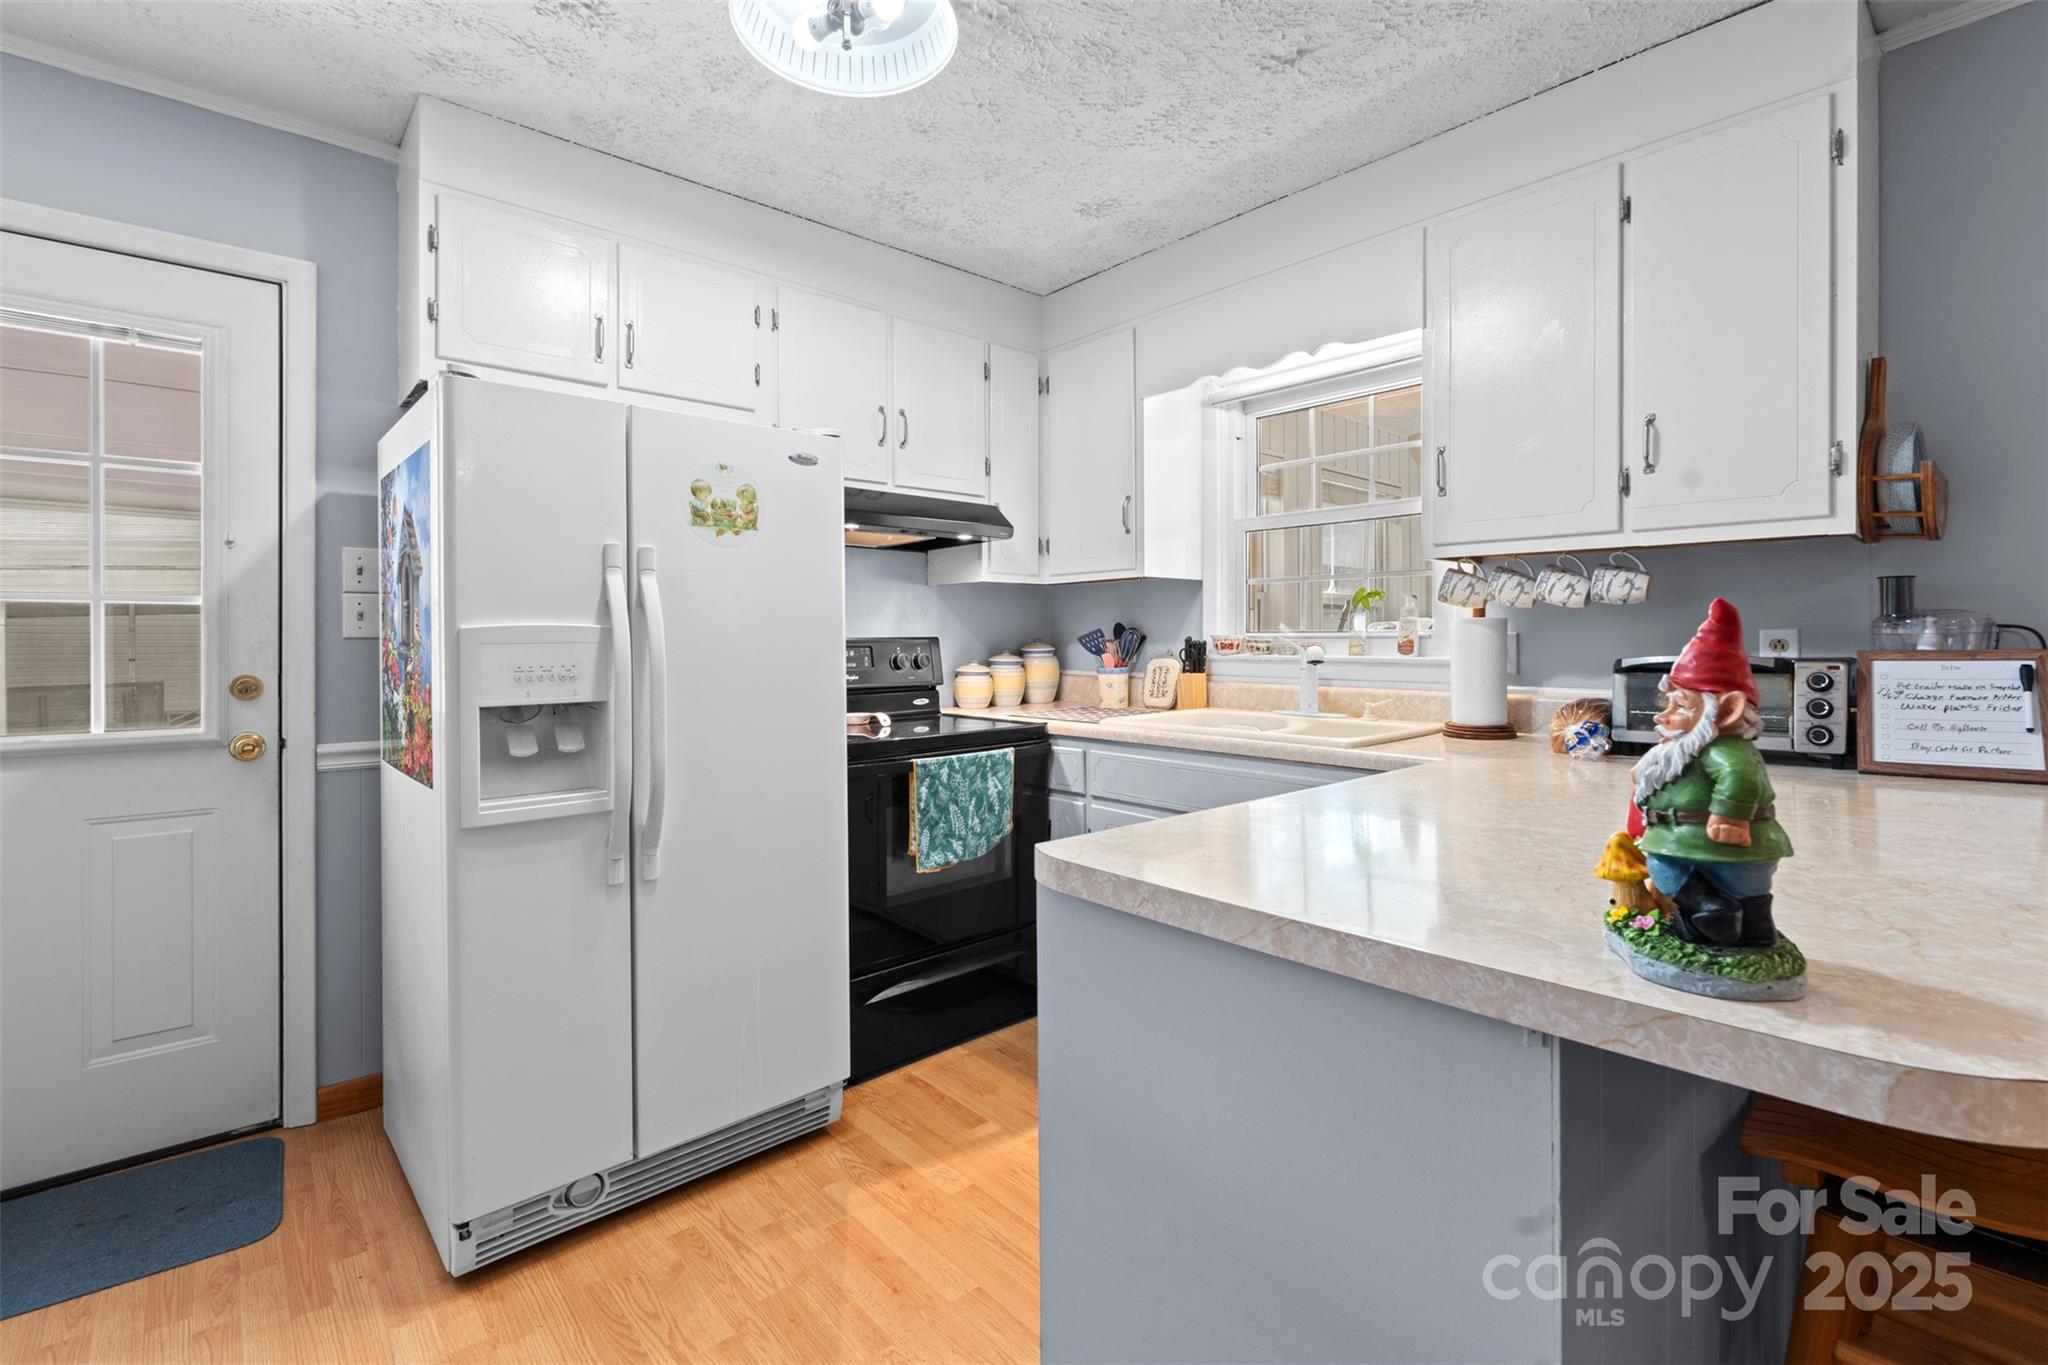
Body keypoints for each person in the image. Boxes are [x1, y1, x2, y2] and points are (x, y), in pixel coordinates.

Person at [1625, 598, 1792, 947]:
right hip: (1752, 851)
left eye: (1681, 706)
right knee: (1751, 894)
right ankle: (1756, 930)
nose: (1662, 716)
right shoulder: (1689, 750)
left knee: (1664, 867)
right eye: (1665, 704)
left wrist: (1729, 818)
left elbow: (1740, 776)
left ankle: (1709, 909)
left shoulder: (1722, 750)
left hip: (1694, 842)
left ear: (1729, 710)